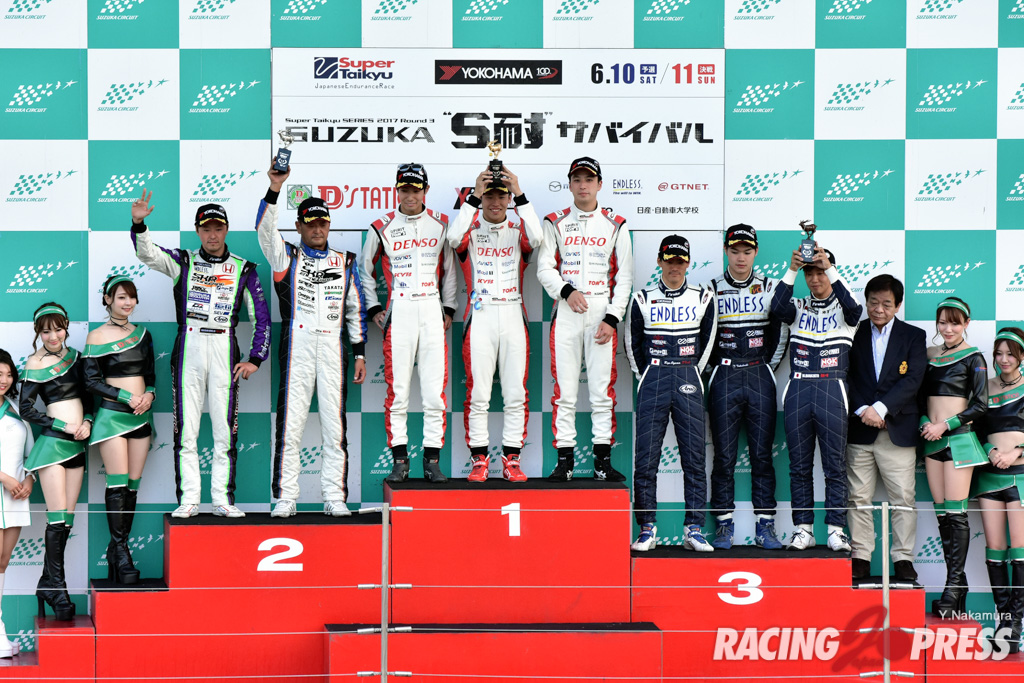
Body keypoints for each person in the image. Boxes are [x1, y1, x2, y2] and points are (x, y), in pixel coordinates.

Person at [131, 190, 271, 518]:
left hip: (225, 346)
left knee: (225, 429)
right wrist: (139, 224)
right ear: (197, 231)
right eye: (206, 229)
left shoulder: (244, 268)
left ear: (226, 230)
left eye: (218, 228)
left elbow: (261, 317)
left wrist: (255, 358)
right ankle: (189, 499)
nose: (212, 235)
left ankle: (222, 499)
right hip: (189, 346)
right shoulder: (183, 261)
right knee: (186, 430)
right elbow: (148, 254)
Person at [256, 166, 368, 517]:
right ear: (299, 226)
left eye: (323, 223)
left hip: (334, 348)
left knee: (335, 428)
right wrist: (275, 188)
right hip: (297, 347)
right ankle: (285, 497)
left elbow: (355, 309)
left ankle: (334, 496)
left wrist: (360, 353)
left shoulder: (345, 261)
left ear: (329, 226)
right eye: (310, 223)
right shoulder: (286, 256)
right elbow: (264, 231)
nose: (317, 229)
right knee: (290, 426)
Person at [358, 163, 457, 483]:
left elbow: (449, 271)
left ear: (425, 190)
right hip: (399, 309)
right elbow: (364, 270)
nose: (410, 195)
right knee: (398, 392)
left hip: (430, 307)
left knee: (434, 393)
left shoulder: (442, 224)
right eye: (404, 190)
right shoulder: (381, 226)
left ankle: (432, 461)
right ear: (397, 190)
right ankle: (400, 461)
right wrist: (374, 308)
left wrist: (449, 308)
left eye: (416, 189)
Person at [537, 157, 633, 481]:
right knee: (564, 391)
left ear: (599, 184)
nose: (583, 185)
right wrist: (566, 291)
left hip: (600, 314)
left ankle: (602, 463)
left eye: (589, 179)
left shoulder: (616, 224)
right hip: (566, 311)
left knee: (602, 392)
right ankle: (564, 462)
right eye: (577, 179)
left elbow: (625, 277)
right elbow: (544, 268)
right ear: (569, 184)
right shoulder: (554, 222)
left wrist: (612, 317)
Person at [448, 164, 542, 482]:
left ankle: (512, 460)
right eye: (489, 196)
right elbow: (452, 238)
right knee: (478, 393)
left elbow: (538, 237)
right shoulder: (469, 233)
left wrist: (520, 193)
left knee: (515, 393)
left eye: (502, 196)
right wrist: (473, 196)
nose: (496, 202)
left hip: (514, 313)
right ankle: (479, 459)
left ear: (509, 200)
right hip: (481, 315)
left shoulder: (519, 233)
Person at [626, 236, 716, 552]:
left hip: (689, 375)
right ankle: (647, 529)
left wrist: (692, 372)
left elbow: (708, 343)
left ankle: (694, 529)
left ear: (688, 263)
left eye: (680, 261)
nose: (675, 266)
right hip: (653, 377)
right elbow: (632, 343)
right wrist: (647, 375)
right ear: (660, 261)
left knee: (694, 457)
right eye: (669, 260)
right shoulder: (642, 298)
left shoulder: (703, 297)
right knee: (646, 458)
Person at [770, 245, 862, 551]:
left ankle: (836, 529)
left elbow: (855, 310)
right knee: (799, 466)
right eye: (810, 273)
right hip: (799, 388)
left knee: (834, 466)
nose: (815, 278)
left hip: (832, 388)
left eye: (820, 272)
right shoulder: (797, 306)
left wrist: (829, 267)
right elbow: (777, 307)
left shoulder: (845, 308)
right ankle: (803, 529)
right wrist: (792, 269)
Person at [707, 224, 787, 550]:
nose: (741, 258)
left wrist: (766, 367)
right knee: (724, 457)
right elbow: (704, 337)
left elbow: (780, 334)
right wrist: (713, 370)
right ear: (726, 251)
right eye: (735, 251)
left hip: (758, 376)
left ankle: (765, 526)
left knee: (762, 456)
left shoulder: (770, 287)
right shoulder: (711, 289)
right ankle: (723, 526)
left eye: (747, 251)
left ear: (756, 253)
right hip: (724, 376)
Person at [845, 275, 926, 582]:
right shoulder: (852, 331)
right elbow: (843, 374)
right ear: (866, 301)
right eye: (873, 302)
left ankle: (903, 559)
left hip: (897, 430)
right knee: (858, 497)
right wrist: (862, 409)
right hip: (859, 429)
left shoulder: (913, 336)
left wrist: (880, 408)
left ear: (898, 305)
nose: (879, 309)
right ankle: (860, 558)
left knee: (903, 498)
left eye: (886, 304)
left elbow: (913, 379)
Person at [19, 303, 92, 621]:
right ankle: (58, 589)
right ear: (38, 333)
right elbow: (26, 409)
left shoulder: (77, 357)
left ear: (66, 328)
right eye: (46, 331)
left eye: (58, 329)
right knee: (57, 518)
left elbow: (89, 398)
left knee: (67, 520)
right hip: (52, 447)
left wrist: (87, 421)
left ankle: (47, 584)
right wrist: (63, 425)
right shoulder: (34, 364)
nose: (52, 336)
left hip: (77, 447)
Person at [82, 276, 155, 584]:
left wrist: (150, 394)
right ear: (108, 299)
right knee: (117, 484)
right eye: (122, 297)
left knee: (132, 488)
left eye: (132, 297)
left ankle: (117, 551)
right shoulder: (96, 336)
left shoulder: (143, 334)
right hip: (112, 417)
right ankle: (123, 554)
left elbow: (150, 373)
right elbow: (90, 381)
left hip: (141, 417)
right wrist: (126, 396)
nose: (128, 303)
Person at [920, 297, 988, 618]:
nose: (948, 329)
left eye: (954, 323)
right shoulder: (930, 356)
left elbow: (981, 405)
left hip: (959, 441)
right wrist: (925, 424)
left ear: (966, 324)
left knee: (956, 515)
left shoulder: (975, 358)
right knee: (943, 517)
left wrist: (944, 425)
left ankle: (952, 588)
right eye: (943, 322)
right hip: (931, 443)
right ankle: (957, 588)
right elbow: (918, 399)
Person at [975, 327, 1024, 652]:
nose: (1004, 359)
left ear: (1021, 357)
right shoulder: (985, 387)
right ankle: (1004, 622)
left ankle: (1015, 625)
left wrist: (1016, 453)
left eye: (1010, 354)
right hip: (989, 477)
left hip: (1020, 476)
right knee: (994, 550)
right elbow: (974, 428)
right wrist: (990, 451)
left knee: (1019, 551)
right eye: (999, 353)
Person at [0, 349, 32, 656]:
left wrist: (29, 481)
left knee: (2, 562)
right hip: (5, 489)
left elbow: (30, 455)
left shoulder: (17, 410)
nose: (5, 380)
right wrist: (5, 479)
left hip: (15, 498)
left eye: (9, 374)